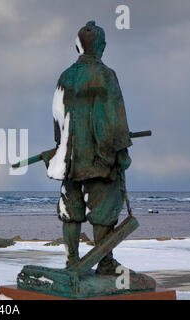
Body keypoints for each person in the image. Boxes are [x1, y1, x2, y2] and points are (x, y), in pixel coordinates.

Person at [48, 21, 132, 275]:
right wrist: (120, 153)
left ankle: (72, 260)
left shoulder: (65, 76)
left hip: (69, 160)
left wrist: (61, 148)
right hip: (99, 159)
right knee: (103, 213)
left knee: (71, 212)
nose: (105, 46)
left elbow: (57, 119)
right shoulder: (106, 75)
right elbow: (114, 120)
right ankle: (105, 262)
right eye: (103, 42)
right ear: (98, 45)